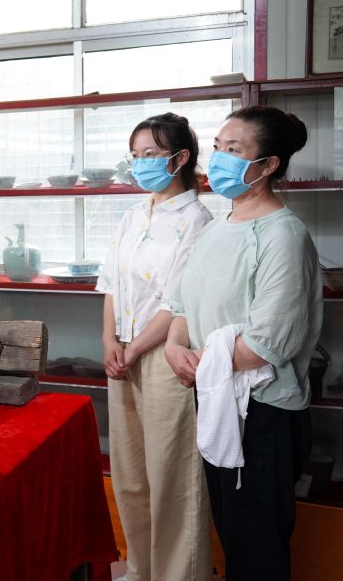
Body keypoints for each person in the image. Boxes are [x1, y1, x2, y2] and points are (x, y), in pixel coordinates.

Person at [164, 106, 320, 581]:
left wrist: (199, 361)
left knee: (257, 544)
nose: (218, 159)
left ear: (268, 164)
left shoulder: (283, 236)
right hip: (217, 395)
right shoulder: (217, 228)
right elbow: (183, 304)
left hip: (263, 412)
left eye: (233, 150)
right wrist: (173, 347)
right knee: (231, 530)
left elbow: (265, 344)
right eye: (217, 147)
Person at [96, 113, 214, 581]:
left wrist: (133, 349)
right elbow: (111, 282)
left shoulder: (198, 220)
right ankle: (139, 569)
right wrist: (109, 339)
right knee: (130, 474)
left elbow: (176, 300)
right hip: (122, 353)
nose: (140, 163)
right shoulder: (133, 214)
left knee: (172, 475)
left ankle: (178, 574)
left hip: (165, 355)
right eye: (135, 155)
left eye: (151, 154)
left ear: (180, 159)